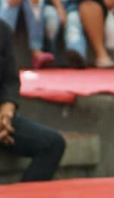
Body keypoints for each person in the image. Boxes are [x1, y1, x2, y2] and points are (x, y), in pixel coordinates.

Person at [0, 18, 66, 182]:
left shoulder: (3, 30)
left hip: (2, 117)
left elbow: (11, 80)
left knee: (53, 143)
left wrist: (7, 111)